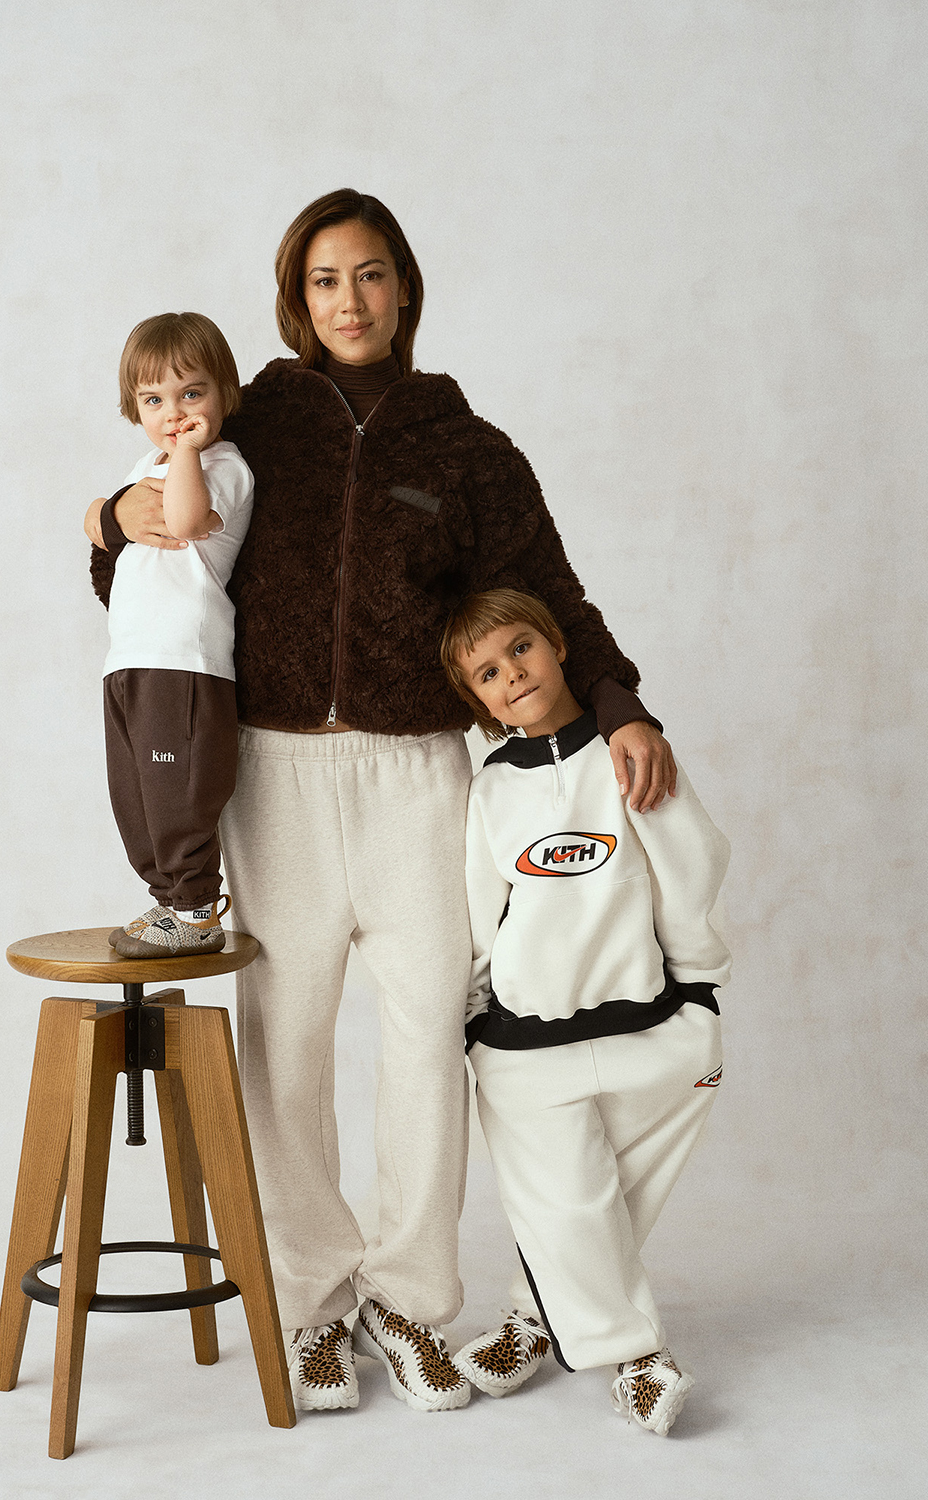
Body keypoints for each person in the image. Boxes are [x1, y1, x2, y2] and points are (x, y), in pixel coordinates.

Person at [85, 190, 677, 1414]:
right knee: (286, 1042)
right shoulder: (255, 423)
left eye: (368, 275)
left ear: (404, 286)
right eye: (322, 280)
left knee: (424, 1039)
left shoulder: (469, 450)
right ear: (294, 300)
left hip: (417, 773)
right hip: (275, 772)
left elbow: (551, 592)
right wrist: (109, 521)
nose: (348, 301)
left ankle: (406, 1302)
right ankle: (312, 1307)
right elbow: (156, 555)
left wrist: (621, 704)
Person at [440, 589, 730, 1436]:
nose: (510, 675)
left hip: (652, 1028)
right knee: (564, 1202)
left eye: (519, 649)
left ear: (558, 646)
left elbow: (690, 869)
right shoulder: (490, 791)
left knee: (610, 1200)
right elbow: (476, 912)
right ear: (478, 702)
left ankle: (534, 1319)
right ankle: (638, 1357)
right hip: (525, 1045)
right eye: (486, 674)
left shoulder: (628, 753)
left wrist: (698, 988)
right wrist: (473, 1022)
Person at [102, 313, 253, 957]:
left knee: (177, 795)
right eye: (154, 400)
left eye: (191, 393)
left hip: (184, 660)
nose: (175, 414)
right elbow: (109, 528)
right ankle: (168, 901)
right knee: (135, 798)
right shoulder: (149, 463)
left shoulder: (225, 466)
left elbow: (187, 522)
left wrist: (186, 453)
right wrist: (102, 511)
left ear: (223, 393)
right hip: (132, 657)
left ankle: (195, 907)